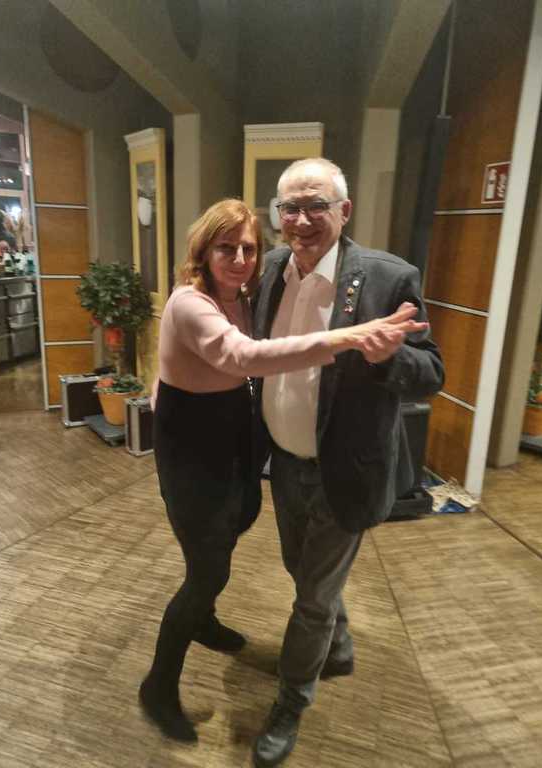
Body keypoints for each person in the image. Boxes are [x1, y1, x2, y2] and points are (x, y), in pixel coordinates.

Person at [139, 198, 428, 745]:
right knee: (207, 571)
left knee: (232, 530)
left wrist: (164, 384)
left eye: (249, 248)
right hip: (195, 456)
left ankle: (204, 620)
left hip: (235, 443)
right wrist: (349, 336)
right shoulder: (190, 302)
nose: (240, 259)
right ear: (202, 250)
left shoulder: (243, 295)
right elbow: (245, 357)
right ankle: (158, 686)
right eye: (226, 247)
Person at [251, 159, 444, 767]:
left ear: (344, 211)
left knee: (311, 597)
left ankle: (291, 700)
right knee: (300, 570)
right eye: (290, 207)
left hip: (346, 467)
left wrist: (389, 358)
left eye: (317, 205)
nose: (302, 220)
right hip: (284, 464)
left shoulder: (388, 278)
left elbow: (431, 372)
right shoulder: (271, 268)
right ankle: (337, 646)